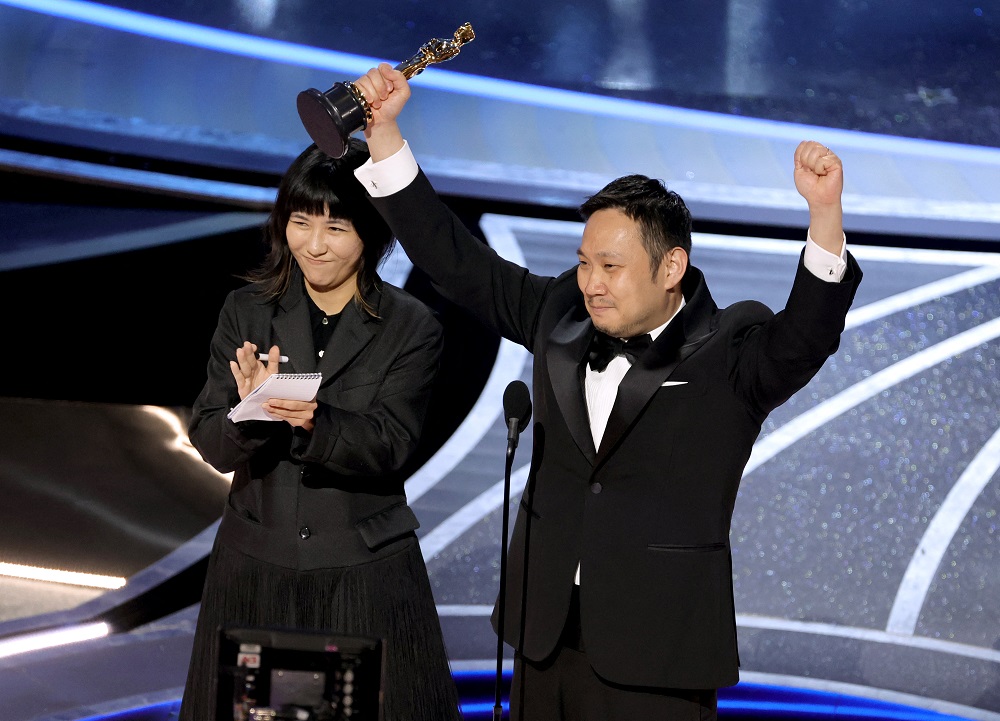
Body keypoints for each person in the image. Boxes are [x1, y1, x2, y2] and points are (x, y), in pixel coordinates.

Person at [345, 63, 864, 721]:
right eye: (586, 262)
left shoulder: (730, 349)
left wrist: (824, 215)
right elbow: (457, 263)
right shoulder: (560, 312)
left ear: (671, 266)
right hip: (542, 634)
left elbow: (805, 340)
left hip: (657, 654)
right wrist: (385, 134)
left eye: (611, 267)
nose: (591, 282)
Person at [179, 138, 463, 721]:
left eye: (335, 228)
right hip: (255, 566)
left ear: (372, 231)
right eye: (300, 222)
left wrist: (315, 419)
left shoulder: (411, 327)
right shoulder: (247, 310)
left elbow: (392, 445)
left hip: (363, 572)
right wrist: (251, 410)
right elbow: (209, 438)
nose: (313, 245)